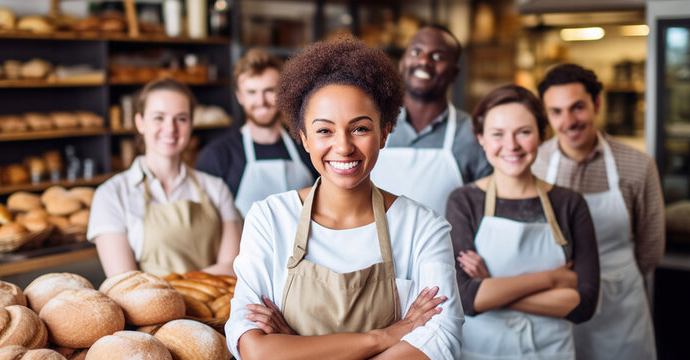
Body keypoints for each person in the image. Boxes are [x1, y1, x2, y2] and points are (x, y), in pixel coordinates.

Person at [224, 38, 463, 360]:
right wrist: (383, 337)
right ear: (304, 138)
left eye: (360, 128)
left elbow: (442, 342)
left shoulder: (423, 227)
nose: (344, 147)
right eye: (324, 131)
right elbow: (255, 350)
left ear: (384, 133)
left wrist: (298, 348)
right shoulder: (269, 219)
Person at [447, 85, 600, 359]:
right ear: (480, 138)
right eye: (497, 134)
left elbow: (584, 305)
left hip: (552, 353)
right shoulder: (464, 201)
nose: (511, 146)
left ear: (542, 135)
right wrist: (552, 279)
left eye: (524, 132)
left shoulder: (570, 204)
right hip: (483, 353)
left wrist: (491, 286)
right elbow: (467, 298)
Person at [532, 63, 663, 359]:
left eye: (577, 107)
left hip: (620, 307)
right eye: (556, 111)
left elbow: (651, 247)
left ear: (597, 104)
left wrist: (617, 274)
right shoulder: (534, 163)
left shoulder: (638, 165)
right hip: (554, 305)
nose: (568, 121)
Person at [88, 78, 242, 277]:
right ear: (140, 123)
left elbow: (232, 267)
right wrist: (196, 285)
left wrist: (176, 285)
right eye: (159, 118)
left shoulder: (216, 188)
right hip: (148, 301)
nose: (170, 128)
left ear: (191, 124)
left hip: (219, 299)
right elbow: (125, 283)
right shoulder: (111, 194)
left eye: (181, 119)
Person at [370, 25, 491, 215]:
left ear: (454, 73)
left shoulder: (473, 135)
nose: (424, 61)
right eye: (416, 52)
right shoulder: (373, 125)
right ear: (402, 62)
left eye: (437, 57)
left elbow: (485, 209)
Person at [196, 49, 316, 215]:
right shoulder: (216, 156)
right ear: (240, 96)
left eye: (269, 90)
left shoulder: (308, 146)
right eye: (252, 92)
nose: (261, 101)